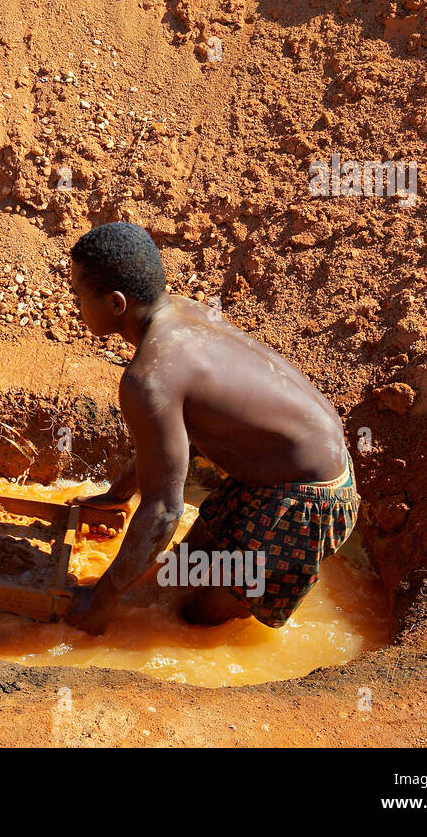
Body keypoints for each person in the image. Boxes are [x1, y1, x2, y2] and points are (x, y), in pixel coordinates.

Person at [63, 222, 360, 633]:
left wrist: (99, 600)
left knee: (194, 620)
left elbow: (165, 512)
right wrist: (118, 495)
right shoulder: (183, 311)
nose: (75, 303)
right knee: (173, 577)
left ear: (116, 304)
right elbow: (163, 447)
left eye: (79, 294)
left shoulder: (147, 379)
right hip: (281, 465)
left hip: (308, 501)